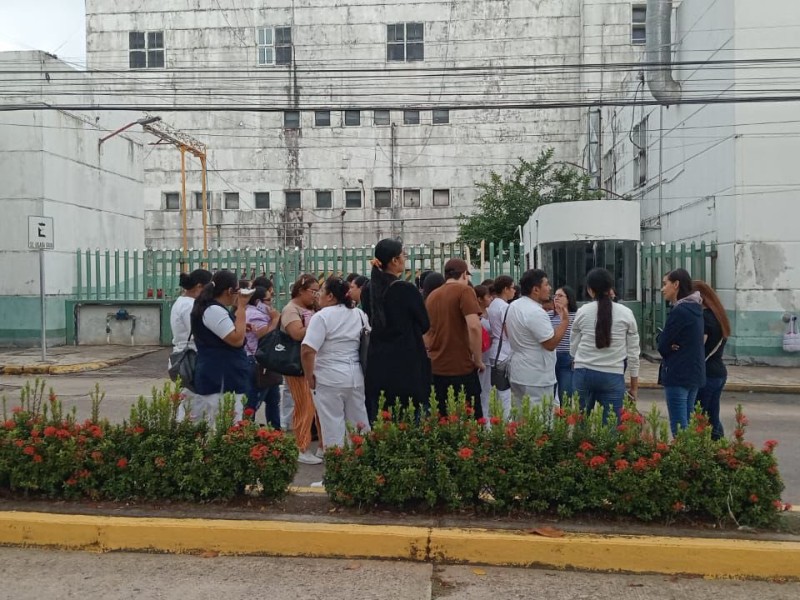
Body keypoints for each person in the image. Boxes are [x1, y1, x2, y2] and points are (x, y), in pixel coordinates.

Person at [361, 239, 431, 421]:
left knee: (383, 419)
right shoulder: (406, 289)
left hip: (378, 361)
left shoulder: (368, 289)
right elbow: (425, 323)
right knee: (410, 418)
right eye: (403, 255)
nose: (405, 259)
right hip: (406, 362)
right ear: (394, 260)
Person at [301, 277, 371, 451]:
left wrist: (309, 376)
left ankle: (335, 472)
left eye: (322, 291)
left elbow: (308, 350)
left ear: (331, 296)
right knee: (359, 424)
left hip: (329, 377)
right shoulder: (360, 314)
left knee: (332, 426)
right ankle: (363, 467)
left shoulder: (322, 316)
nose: (318, 295)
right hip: (355, 376)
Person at [570, 269, 640, 422]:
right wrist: (634, 387)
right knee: (612, 427)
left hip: (583, 372)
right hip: (612, 375)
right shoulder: (626, 313)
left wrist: (577, 360)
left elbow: (573, 346)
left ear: (590, 290)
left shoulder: (582, 312)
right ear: (611, 288)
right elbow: (633, 354)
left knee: (580, 423)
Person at [187, 269, 250, 423]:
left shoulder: (212, 308)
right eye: (237, 291)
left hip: (221, 375)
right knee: (224, 426)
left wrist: (240, 325)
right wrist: (241, 308)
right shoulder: (213, 310)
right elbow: (236, 340)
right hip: (220, 378)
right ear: (229, 291)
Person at [425, 258, 484, 417]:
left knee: (442, 421)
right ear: (464, 274)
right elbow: (474, 326)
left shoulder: (432, 296)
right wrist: (478, 359)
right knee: (471, 420)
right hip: (461, 367)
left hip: (436, 368)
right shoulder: (464, 291)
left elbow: (426, 334)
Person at [505, 269, 569, 407]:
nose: (549, 288)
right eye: (546, 285)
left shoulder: (514, 306)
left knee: (522, 419)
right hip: (536, 377)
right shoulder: (535, 312)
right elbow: (550, 344)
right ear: (535, 289)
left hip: (519, 372)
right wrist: (564, 322)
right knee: (540, 421)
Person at [658, 268, 706, 436]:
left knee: (679, 427)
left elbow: (663, 345)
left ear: (676, 284)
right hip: (693, 372)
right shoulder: (696, 308)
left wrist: (668, 344)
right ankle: (689, 458)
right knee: (687, 421)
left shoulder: (680, 311)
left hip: (678, 373)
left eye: (665, 284)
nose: (663, 289)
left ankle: (683, 459)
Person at [282, 274, 323, 465]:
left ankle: (322, 445)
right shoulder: (291, 309)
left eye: (318, 291)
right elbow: (297, 333)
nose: (315, 295)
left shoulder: (312, 308)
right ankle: (301, 446)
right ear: (301, 290)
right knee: (304, 406)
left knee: (316, 407)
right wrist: (319, 324)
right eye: (312, 291)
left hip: (315, 363)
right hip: (297, 365)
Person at [693, 280, 731, 440]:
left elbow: (698, 347)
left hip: (707, 373)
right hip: (718, 371)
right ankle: (721, 450)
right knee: (712, 415)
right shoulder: (718, 315)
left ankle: (710, 450)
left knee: (701, 416)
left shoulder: (705, 319)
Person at [244, 283, 281, 429]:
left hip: (266, 361)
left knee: (273, 400)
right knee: (254, 400)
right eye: (268, 300)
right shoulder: (254, 314)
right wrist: (275, 319)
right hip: (257, 362)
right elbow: (263, 335)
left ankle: (275, 431)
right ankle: (246, 432)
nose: (271, 302)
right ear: (258, 302)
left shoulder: (257, 313)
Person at [487, 275, 515, 419]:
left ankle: (498, 419)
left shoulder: (492, 304)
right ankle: (506, 422)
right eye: (512, 287)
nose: (514, 291)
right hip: (504, 352)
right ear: (505, 289)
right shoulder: (504, 307)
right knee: (505, 393)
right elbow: (508, 330)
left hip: (494, 349)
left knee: (497, 392)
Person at [170, 268, 212, 356]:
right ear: (199, 286)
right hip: (190, 355)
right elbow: (197, 333)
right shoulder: (189, 305)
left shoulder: (182, 301)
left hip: (184, 352)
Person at [550, 285, 578, 403]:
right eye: (555, 295)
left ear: (569, 299)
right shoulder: (548, 316)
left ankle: (564, 419)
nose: (556, 298)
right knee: (549, 395)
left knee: (565, 395)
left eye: (560, 296)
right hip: (551, 357)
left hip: (568, 358)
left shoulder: (577, 316)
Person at [474, 285, 494, 420]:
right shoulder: (475, 316)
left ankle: (485, 417)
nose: (491, 298)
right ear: (480, 299)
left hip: (488, 356)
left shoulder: (490, 312)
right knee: (481, 390)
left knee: (486, 390)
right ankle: (482, 418)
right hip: (480, 356)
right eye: (488, 296)